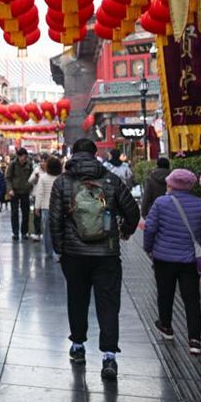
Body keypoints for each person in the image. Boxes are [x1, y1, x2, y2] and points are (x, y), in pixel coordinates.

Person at [49, 138, 140, 381]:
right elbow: (132, 210)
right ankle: (109, 356)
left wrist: (59, 249)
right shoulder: (111, 179)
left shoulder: (62, 181)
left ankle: (78, 346)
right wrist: (126, 231)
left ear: (74, 154)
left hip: (74, 254)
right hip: (107, 254)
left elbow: (55, 220)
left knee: (77, 300)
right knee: (108, 304)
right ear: (94, 154)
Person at [143, 169, 201, 355]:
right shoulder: (200, 205)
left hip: (164, 259)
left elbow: (150, 228)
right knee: (192, 300)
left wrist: (148, 248)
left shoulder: (161, 203)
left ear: (171, 184)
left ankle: (166, 327)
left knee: (165, 294)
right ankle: (195, 340)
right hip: (190, 260)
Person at [34, 156, 62, 260]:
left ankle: (49, 251)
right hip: (59, 207)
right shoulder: (61, 177)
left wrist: (37, 208)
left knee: (47, 232)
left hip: (46, 207)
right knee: (58, 230)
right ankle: (57, 252)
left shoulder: (43, 177)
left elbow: (39, 193)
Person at [5, 148, 34, 240]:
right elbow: (8, 178)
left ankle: (24, 232)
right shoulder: (12, 164)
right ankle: (15, 233)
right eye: (24, 157)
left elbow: (32, 176)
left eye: (26, 157)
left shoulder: (29, 164)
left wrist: (31, 187)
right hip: (14, 192)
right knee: (14, 213)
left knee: (26, 213)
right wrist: (9, 189)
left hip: (25, 192)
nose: (25, 159)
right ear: (19, 156)